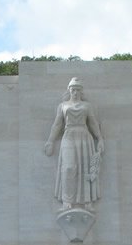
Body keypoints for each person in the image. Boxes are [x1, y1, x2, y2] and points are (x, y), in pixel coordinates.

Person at [44, 77, 104, 211]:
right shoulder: (63, 106)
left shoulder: (87, 106)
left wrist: (100, 138)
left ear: (81, 92)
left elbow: (93, 123)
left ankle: (87, 201)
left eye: (78, 90)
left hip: (84, 136)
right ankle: (67, 201)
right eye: (73, 89)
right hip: (68, 136)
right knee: (68, 168)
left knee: (85, 169)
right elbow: (57, 124)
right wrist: (50, 141)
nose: (75, 92)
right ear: (69, 90)